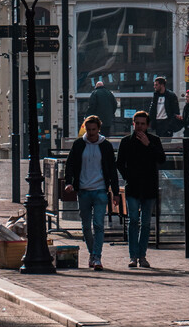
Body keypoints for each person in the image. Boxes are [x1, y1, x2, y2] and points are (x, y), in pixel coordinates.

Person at [64, 115, 119, 271]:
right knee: (86, 226)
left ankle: (96, 256)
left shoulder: (105, 146)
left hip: (100, 189)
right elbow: (70, 164)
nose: (91, 133)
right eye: (88, 130)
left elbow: (112, 170)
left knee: (99, 225)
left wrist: (115, 192)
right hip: (83, 190)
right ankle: (92, 253)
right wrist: (69, 182)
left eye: (94, 130)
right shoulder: (79, 144)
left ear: (98, 129)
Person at [116, 111, 166, 268]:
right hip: (133, 187)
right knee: (133, 221)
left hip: (149, 187)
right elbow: (119, 163)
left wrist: (148, 145)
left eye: (142, 124)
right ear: (133, 124)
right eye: (137, 123)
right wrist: (127, 177)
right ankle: (133, 256)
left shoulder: (154, 140)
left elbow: (161, 159)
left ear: (148, 125)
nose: (139, 126)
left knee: (145, 223)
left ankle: (141, 255)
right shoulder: (126, 142)